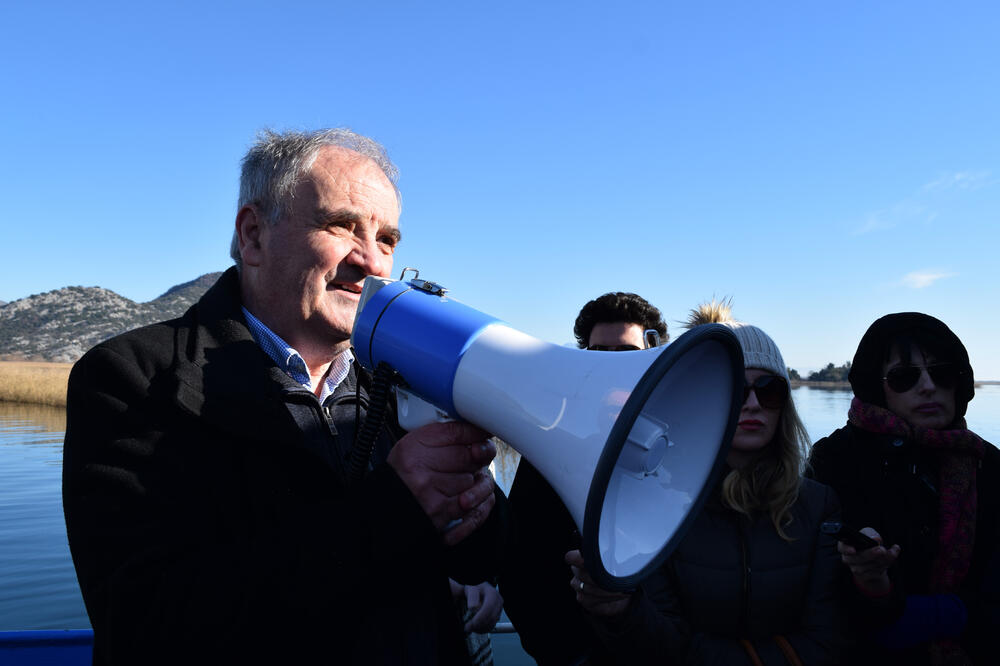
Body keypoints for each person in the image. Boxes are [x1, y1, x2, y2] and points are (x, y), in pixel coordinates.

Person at [62, 128, 507, 664]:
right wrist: (395, 508)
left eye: (387, 239)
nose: (372, 263)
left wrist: (473, 512)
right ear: (253, 235)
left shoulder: (403, 382)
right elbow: (147, 621)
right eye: (341, 226)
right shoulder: (131, 380)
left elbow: (481, 560)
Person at [564, 302, 846, 665]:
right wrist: (622, 610)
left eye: (770, 389)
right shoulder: (654, 506)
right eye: (737, 390)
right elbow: (658, 644)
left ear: (785, 406)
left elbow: (830, 640)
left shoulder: (820, 504)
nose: (754, 404)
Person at [808, 312, 1000, 665]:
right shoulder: (833, 461)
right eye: (904, 377)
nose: (927, 386)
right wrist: (870, 582)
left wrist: (951, 614)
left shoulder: (991, 465)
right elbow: (813, 589)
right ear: (877, 386)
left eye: (942, 373)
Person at [499, 292, 668, 664]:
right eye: (597, 355)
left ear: (654, 356)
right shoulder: (549, 452)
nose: (611, 369)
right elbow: (522, 573)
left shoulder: (687, 449)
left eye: (625, 355)